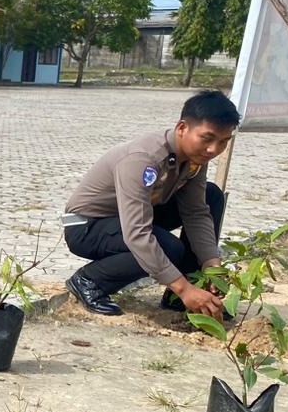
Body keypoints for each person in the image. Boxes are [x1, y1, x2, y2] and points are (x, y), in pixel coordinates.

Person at [62, 90, 240, 318]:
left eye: (223, 142)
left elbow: (195, 212)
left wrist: (211, 264)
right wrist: (183, 288)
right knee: (169, 248)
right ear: (182, 128)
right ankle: (90, 280)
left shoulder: (195, 157)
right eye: (207, 138)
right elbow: (137, 233)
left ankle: (183, 296)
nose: (213, 150)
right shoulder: (143, 159)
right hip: (88, 226)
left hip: (128, 217)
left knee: (211, 196)